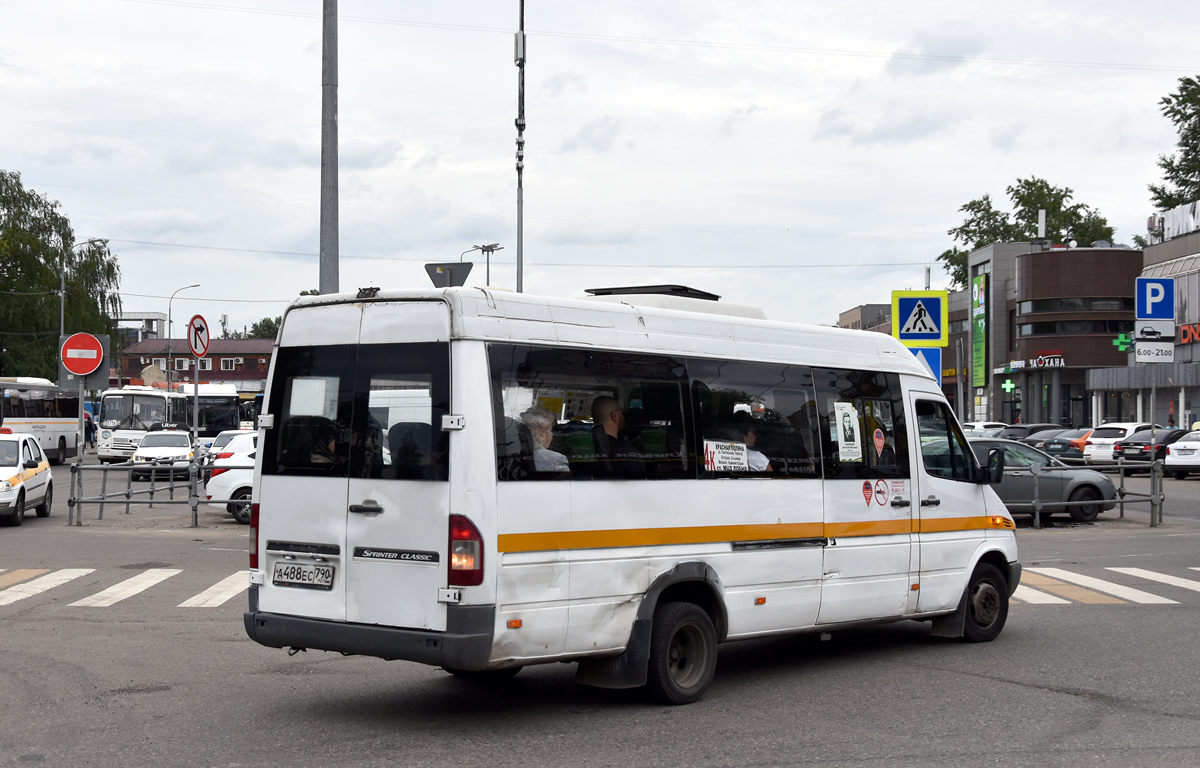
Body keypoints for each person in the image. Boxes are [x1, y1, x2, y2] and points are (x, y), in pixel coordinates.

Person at [590, 395, 644, 476]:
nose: (623, 416)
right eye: (621, 412)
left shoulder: (585, 447)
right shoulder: (629, 454)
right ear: (614, 415)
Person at [520, 406, 569, 472]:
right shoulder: (557, 460)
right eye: (551, 431)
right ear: (542, 433)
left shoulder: (508, 455)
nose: (552, 436)